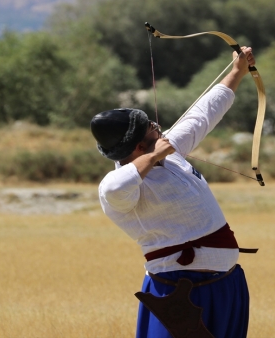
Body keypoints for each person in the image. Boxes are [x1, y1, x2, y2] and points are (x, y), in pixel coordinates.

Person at [90, 47, 257, 338]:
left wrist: (236, 72)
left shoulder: (166, 149)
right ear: (140, 147)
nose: (159, 129)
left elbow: (202, 115)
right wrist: (155, 157)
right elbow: (112, 189)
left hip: (225, 283)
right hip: (180, 291)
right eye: (152, 129)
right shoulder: (121, 185)